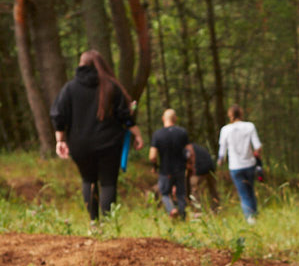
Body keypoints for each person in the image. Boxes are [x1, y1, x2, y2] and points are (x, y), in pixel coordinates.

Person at [51, 51, 143, 222]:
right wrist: (137, 135)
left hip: (80, 145)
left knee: (88, 180)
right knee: (108, 182)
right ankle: (108, 224)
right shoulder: (111, 86)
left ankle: (94, 223)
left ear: (80, 65)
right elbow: (124, 115)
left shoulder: (69, 88)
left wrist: (60, 141)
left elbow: (59, 116)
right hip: (109, 144)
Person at [216, 104, 262, 223]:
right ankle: (254, 215)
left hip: (235, 166)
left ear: (230, 115)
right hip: (250, 164)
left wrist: (220, 163)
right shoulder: (250, 126)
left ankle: (250, 218)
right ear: (241, 114)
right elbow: (257, 146)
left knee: (244, 194)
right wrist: (259, 160)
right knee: (250, 191)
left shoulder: (225, 129)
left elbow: (222, 152)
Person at [149, 108, 193, 220]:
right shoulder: (182, 132)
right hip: (180, 169)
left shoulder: (157, 134)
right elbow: (190, 152)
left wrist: (154, 166)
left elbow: (152, 156)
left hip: (165, 170)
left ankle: (171, 210)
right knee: (181, 194)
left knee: (164, 193)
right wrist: (190, 164)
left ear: (163, 119)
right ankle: (182, 218)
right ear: (175, 119)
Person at [188, 142, 221, 215]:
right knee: (213, 189)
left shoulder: (187, 149)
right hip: (211, 168)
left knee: (194, 189)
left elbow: (189, 161)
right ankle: (216, 209)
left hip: (200, 169)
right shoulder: (198, 147)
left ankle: (198, 211)